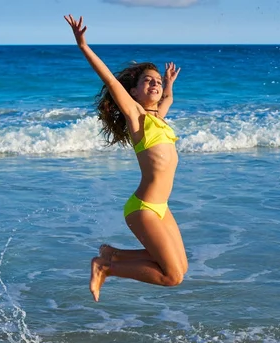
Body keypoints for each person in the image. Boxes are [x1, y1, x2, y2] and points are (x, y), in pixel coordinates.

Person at [64, 15, 188, 302]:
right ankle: (105, 267)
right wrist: (83, 45)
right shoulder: (137, 117)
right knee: (171, 276)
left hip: (161, 207)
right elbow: (108, 77)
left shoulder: (159, 118)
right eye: (148, 81)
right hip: (143, 208)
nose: (155, 84)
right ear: (133, 92)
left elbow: (167, 99)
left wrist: (168, 82)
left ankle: (113, 254)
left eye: (156, 82)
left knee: (181, 268)